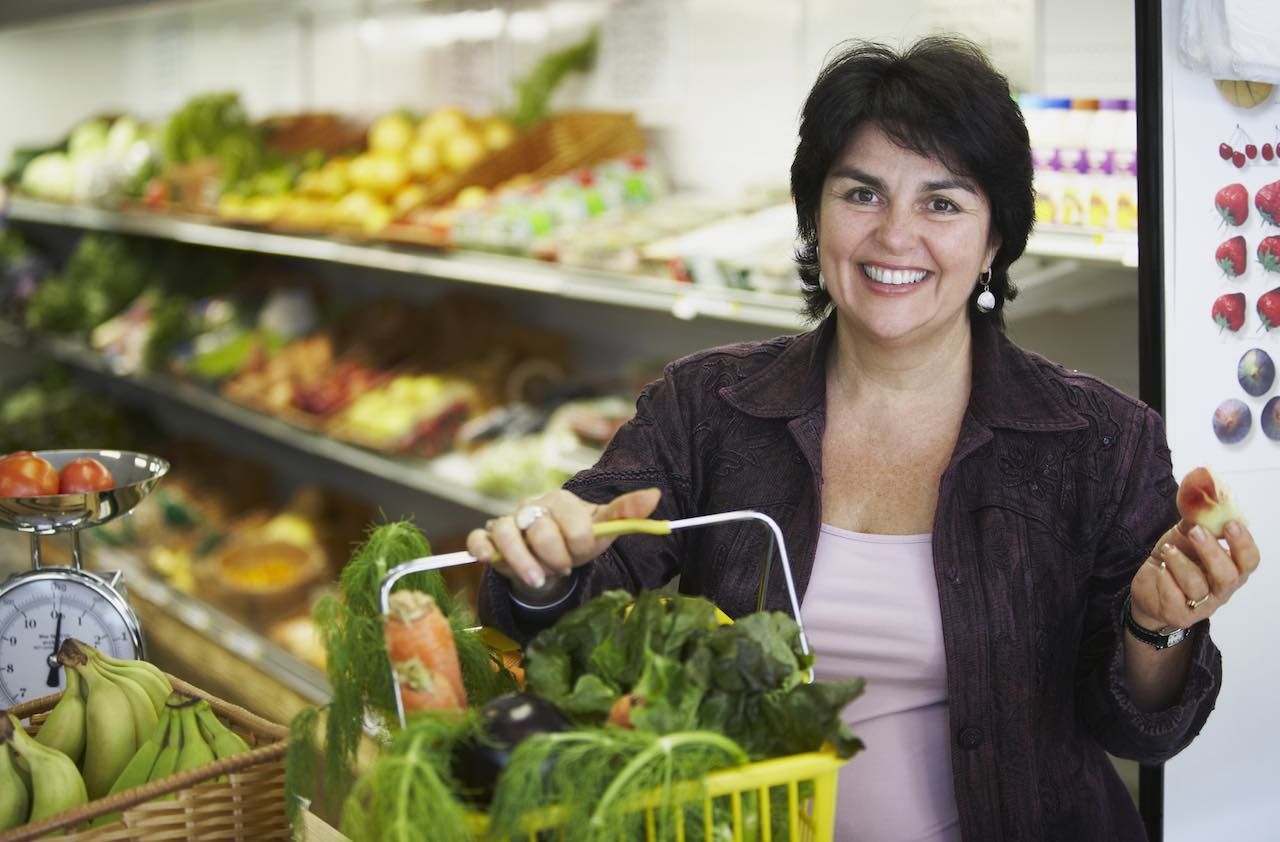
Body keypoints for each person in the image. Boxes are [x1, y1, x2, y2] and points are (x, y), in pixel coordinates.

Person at [468, 36, 1260, 842]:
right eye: (861, 194)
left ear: (993, 241)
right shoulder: (709, 404)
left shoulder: (1100, 439)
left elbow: (1143, 731)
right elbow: (573, 600)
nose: (894, 236)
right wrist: (546, 565)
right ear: (816, 214)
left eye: (942, 203)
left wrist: (1155, 626)